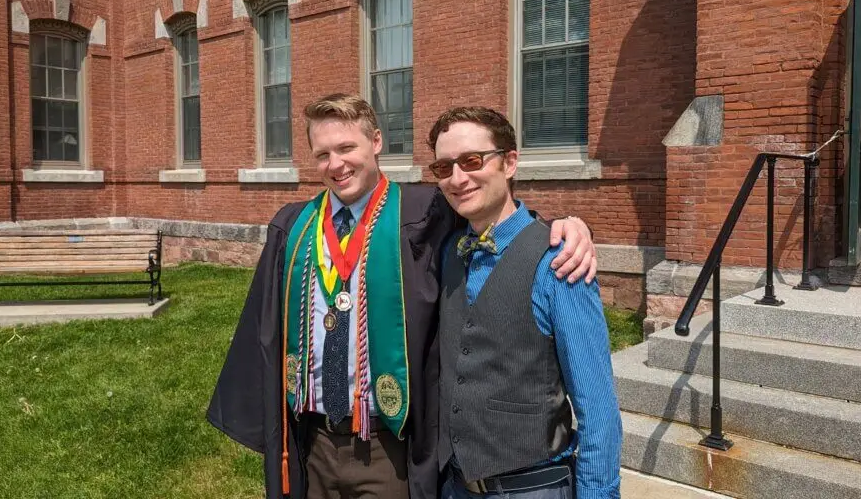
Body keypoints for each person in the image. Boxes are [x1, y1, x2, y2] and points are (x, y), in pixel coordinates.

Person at [206, 93, 599, 499]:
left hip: (388, 447)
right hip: (314, 442)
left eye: (346, 148)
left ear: (376, 141)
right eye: (322, 154)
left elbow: (489, 214)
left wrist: (559, 226)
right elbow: (264, 330)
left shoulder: (422, 213)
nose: (336, 164)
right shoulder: (295, 228)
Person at [428, 106, 621, 499]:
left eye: (472, 160)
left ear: (510, 162)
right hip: (455, 486)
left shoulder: (558, 262)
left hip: (533, 487)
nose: (458, 178)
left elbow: (597, 408)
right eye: (444, 167)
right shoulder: (449, 251)